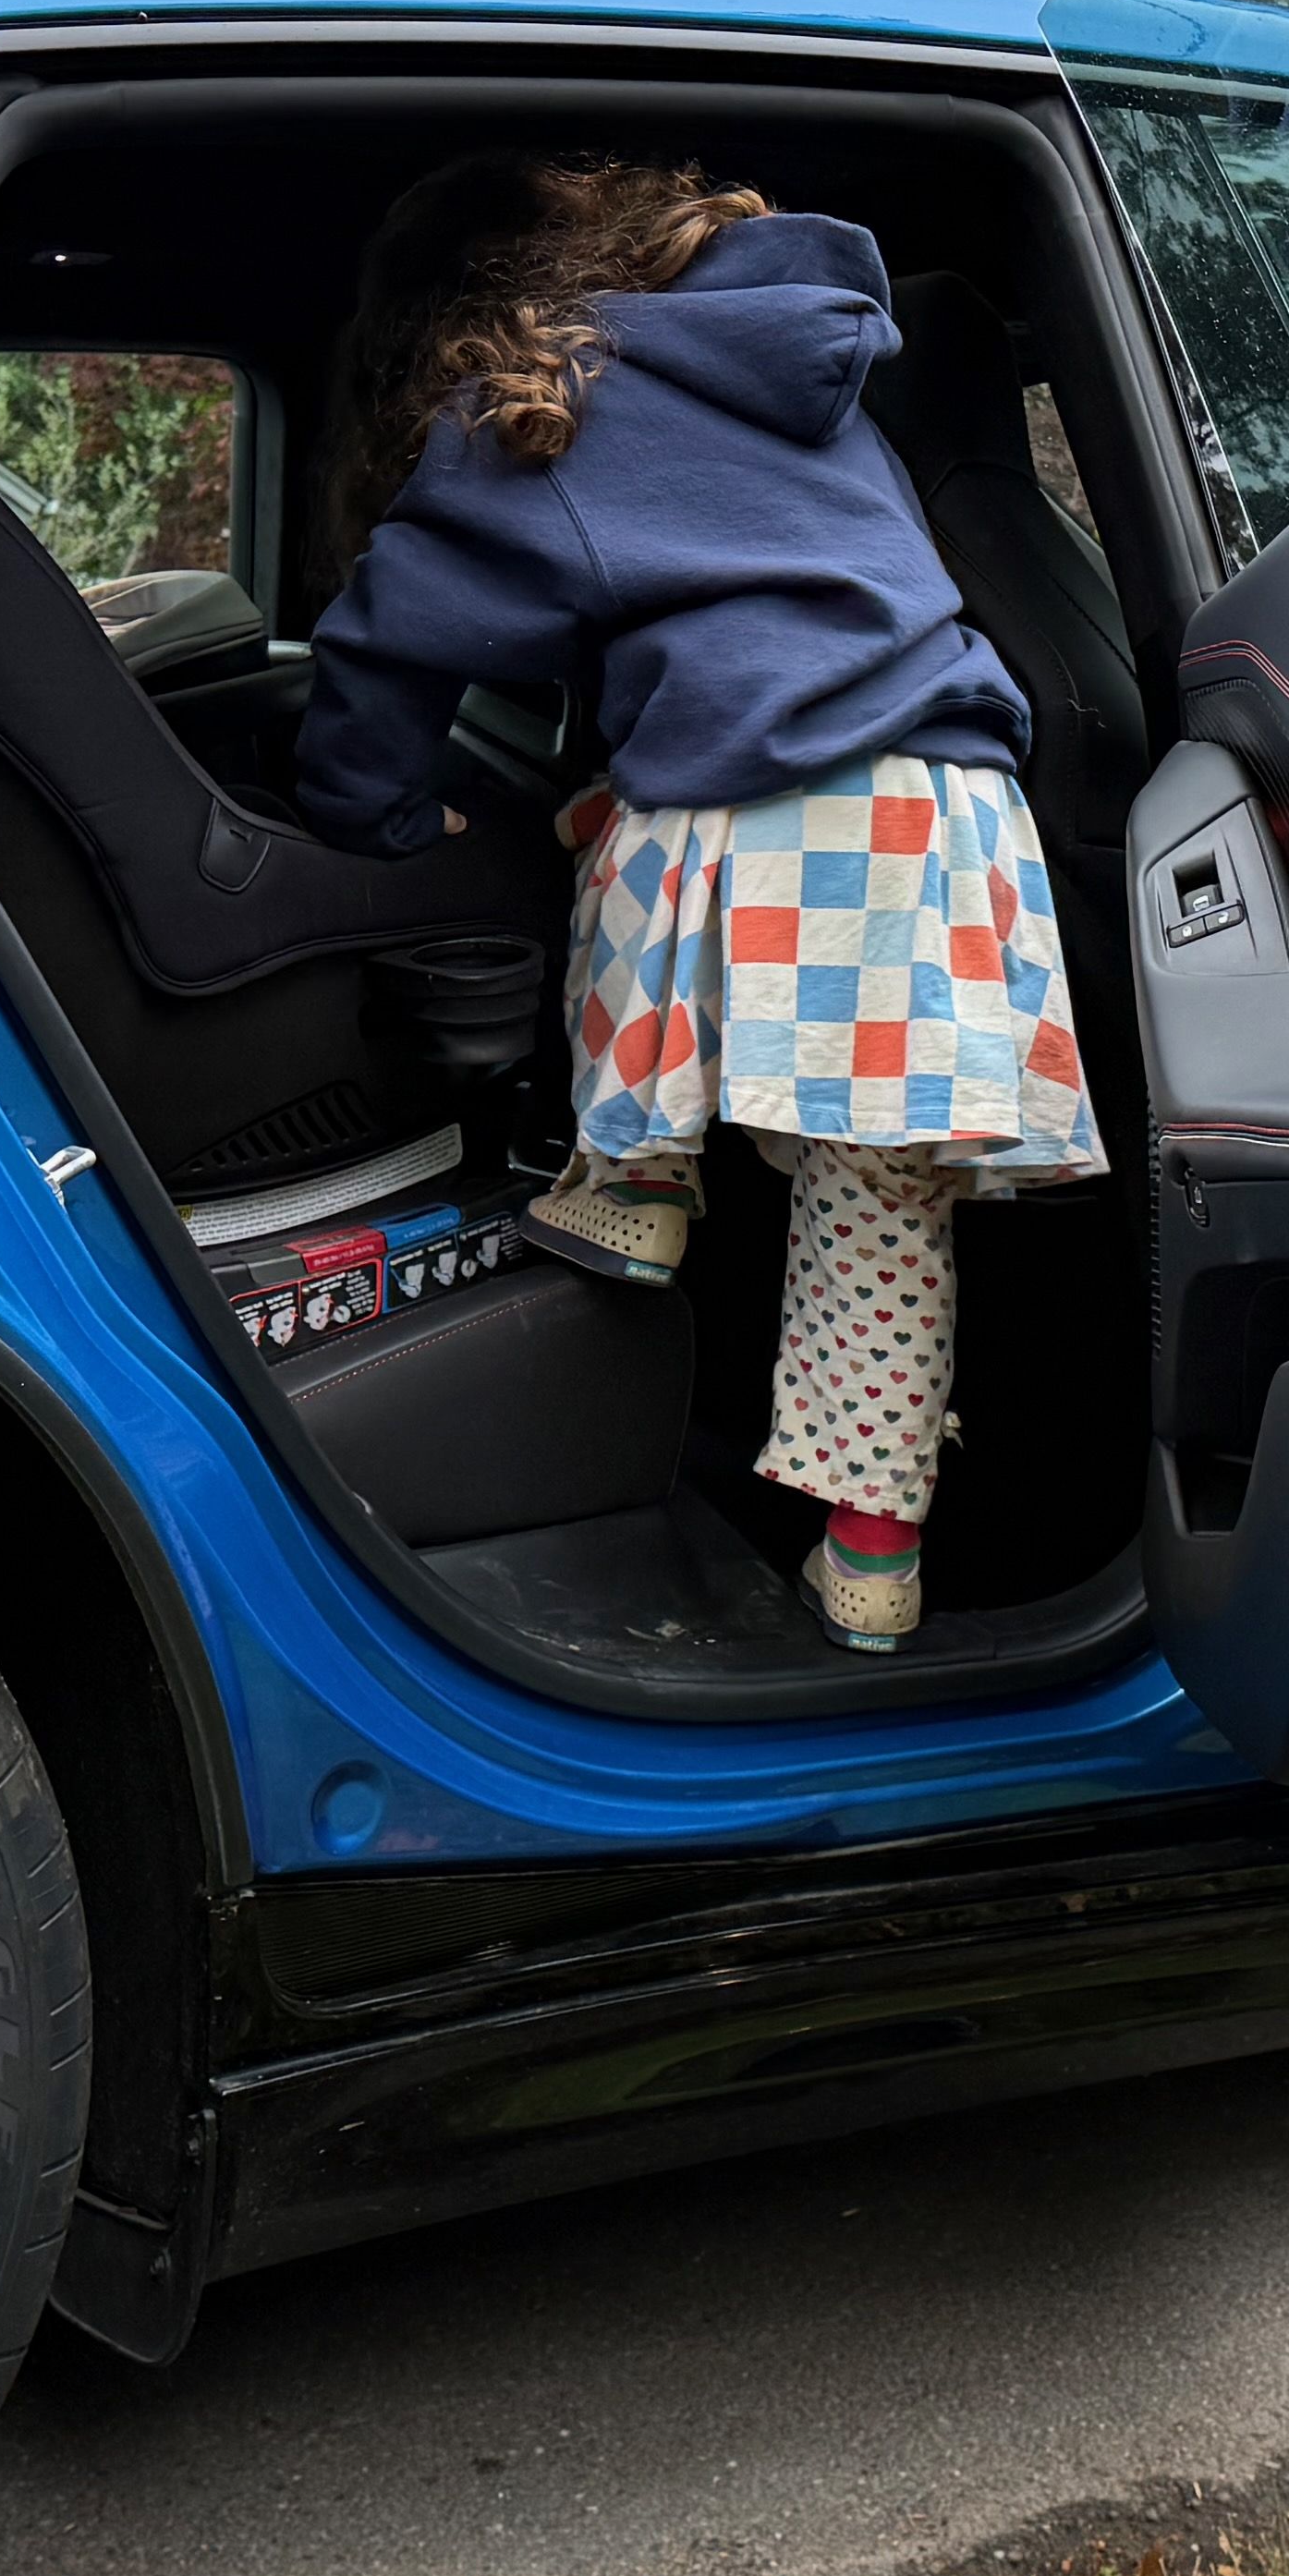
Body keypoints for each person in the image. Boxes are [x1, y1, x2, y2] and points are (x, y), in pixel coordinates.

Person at [289, 161, 1102, 1652]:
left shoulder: (533, 397)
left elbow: (388, 641)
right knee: (882, 1197)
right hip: (947, 818)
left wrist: (379, 816)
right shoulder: (825, 391)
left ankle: (637, 1171)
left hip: (746, 805)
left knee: (623, 842)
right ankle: (872, 1559)